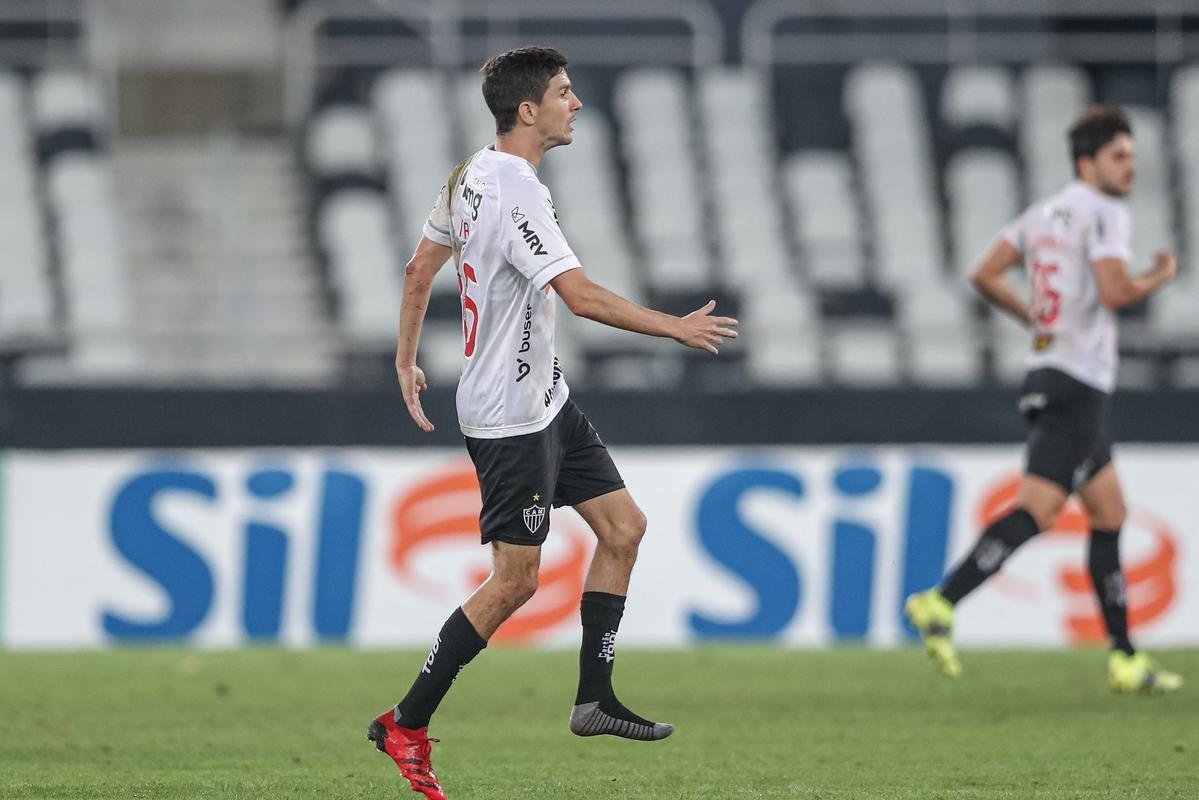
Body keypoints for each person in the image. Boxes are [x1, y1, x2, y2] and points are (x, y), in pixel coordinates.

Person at [366, 47, 738, 799]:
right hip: (509, 415)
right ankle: (404, 721)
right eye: (565, 94)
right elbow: (580, 297)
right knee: (514, 581)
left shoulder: (468, 173)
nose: (577, 104)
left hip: (545, 398)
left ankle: (593, 698)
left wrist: (406, 359)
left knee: (623, 529)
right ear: (527, 110)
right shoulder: (512, 190)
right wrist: (673, 328)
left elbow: (417, 269)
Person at [905, 104, 1182, 695]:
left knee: (1110, 513)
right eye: (1119, 156)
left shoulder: (1042, 214)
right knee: (1040, 511)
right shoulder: (1104, 211)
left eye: (1132, 154)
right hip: (1078, 382)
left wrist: (1034, 318)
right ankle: (940, 601)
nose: (1131, 167)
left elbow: (985, 273)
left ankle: (1125, 657)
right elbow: (1112, 291)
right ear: (1089, 161)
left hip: (1050, 376)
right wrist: (1156, 278)